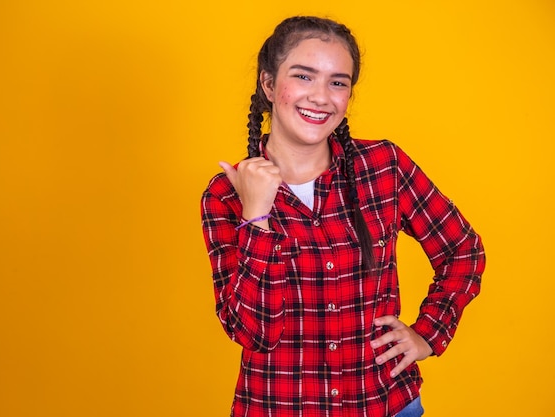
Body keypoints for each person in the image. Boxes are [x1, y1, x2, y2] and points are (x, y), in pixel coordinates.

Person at [200, 15, 485, 417]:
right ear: (268, 84)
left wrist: (429, 333)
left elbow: (463, 250)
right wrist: (257, 217)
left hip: (385, 404)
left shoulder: (385, 166)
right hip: (280, 407)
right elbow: (254, 332)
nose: (321, 96)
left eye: (338, 82)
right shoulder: (225, 194)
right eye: (303, 76)